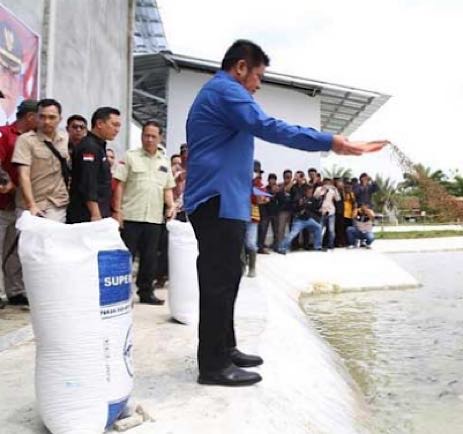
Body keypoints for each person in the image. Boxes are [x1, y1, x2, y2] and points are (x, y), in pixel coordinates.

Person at [183, 39, 385, 387]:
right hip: (216, 201)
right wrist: (332, 142)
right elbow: (272, 127)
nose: (259, 84)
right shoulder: (226, 91)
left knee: (229, 278)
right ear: (241, 67)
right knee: (219, 282)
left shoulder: (223, 93)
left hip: (226, 201)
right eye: (258, 75)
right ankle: (212, 365)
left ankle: (224, 347)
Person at [113, 120, 175, 305]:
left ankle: (146, 292)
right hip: (131, 215)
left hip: (154, 218)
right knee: (126, 257)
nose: (148, 139)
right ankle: (122, 294)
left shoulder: (164, 161)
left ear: (160, 138)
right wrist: (117, 211)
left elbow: (167, 188)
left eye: (153, 136)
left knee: (149, 259)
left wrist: (170, 206)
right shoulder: (131, 156)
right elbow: (119, 185)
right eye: (146, 135)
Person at [0, 99, 37, 306]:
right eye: (39, 116)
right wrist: (6, 181)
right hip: (2, 201)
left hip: (20, 206)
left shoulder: (36, 140)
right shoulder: (5, 134)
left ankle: (15, 291)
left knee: (14, 251)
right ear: (31, 117)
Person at [12, 98, 69, 222]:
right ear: (36, 118)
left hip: (56, 204)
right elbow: (24, 175)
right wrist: (31, 205)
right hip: (30, 205)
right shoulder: (25, 140)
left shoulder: (65, 140)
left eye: (52, 117)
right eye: (42, 117)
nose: (47, 121)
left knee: (52, 239)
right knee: (30, 241)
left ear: (60, 119)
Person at [67, 107, 121, 223]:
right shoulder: (89, 147)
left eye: (118, 126)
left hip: (101, 209)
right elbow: (88, 182)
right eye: (114, 125)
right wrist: (95, 214)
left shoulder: (99, 146)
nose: (117, 130)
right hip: (87, 214)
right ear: (100, 123)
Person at [277, 185, 323, 254]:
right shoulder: (299, 199)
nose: (311, 193)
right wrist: (300, 207)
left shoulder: (312, 199)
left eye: (311, 192)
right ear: (305, 192)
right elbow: (294, 208)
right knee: (292, 234)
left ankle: (317, 246)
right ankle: (281, 248)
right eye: (309, 192)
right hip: (299, 221)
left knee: (318, 227)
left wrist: (320, 199)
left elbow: (315, 206)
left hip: (308, 219)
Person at [314, 177, 340, 250]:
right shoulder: (319, 189)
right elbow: (315, 197)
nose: (327, 184)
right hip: (321, 211)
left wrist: (335, 189)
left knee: (331, 230)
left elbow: (338, 199)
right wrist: (323, 190)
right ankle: (318, 245)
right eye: (325, 182)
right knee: (319, 229)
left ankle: (331, 245)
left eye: (328, 182)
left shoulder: (332, 190)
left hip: (331, 211)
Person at [258, 172, 280, 252]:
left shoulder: (278, 189)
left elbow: (281, 200)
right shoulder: (265, 189)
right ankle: (260, 246)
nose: (272, 181)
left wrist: (278, 192)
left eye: (274, 179)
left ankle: (276, 246)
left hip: (275, 213)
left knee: (276, 231)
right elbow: (264, 199)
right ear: (268, 180)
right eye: (271, 179)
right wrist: (271, 194)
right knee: (263, 230)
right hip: (266, 213)